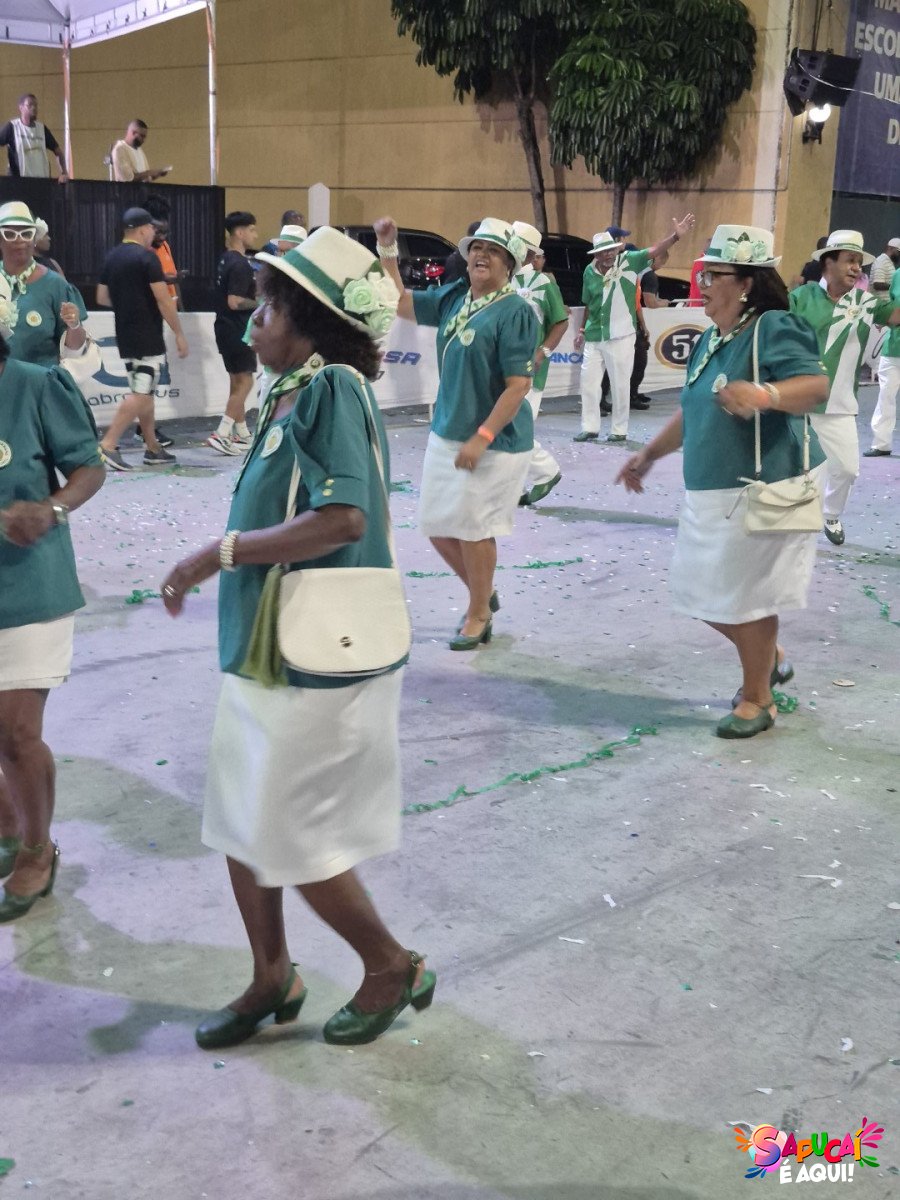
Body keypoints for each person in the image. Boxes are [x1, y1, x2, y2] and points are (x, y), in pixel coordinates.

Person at [160, 226, 434, 1049]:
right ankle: (271, 976)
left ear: (311, 322)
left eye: (270, 308)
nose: (253, 321)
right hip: (264, 645)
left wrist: (217, 553)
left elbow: (345, 517)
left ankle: (389, 965)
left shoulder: (333, 390)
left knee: (292, 834)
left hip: (316, 656)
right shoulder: (290, 391)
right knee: (240, 820)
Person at [616, 223, 829, 739]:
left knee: (746, 599)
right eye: (702, 274)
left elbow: (816, 386)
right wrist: (649, 454)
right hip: (712, 492)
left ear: (747, 283)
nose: (703, 284)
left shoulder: (772, 326)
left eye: (714, 275)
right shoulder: (711, 337)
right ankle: (768, 657)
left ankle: (759, 699)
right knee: (699, 593)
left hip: (759, 488)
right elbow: (693, 411)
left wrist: (765, 395)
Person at [374, 215, 536, 650]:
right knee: (436, 524)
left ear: (509, 265)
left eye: (494, 251)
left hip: (495, 442)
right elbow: (400, 302)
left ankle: (479, 612)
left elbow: (518, 386)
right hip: (447, 430)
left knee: (474, 528)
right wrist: (388, 248)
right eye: (477, 248)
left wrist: (482, 436)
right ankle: (483, 592)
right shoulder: (455, 297)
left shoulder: (516, 312)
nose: (482, 255)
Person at [0, 331, 105, 920]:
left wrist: (51, 508)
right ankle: (7, 822)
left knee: (16, 732)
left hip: (29, 583)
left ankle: (37, 851)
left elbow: (89, 468)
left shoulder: (36, 386)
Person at [789, 230, 900, 544]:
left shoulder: (866, 302)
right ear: (828, 262)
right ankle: (796, 527)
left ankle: (831, 514)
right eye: (849, 260)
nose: (856, 268)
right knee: (801, 472)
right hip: (799, 403)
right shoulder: (800, 297)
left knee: (848, 470)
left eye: (858, 262)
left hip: (839, 406)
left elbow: (895, 315)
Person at [574, 213, 695, 444]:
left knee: (620, 384)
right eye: (603, 252)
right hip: (594, 335)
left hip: (621, 335)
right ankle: (589, 427)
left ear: (616, 249)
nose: (608, 254)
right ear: (596, 254)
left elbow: (654, 250)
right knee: (588, 385)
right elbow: (589, 304)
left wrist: (675, 237)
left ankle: (619, 430)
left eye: (611, 250)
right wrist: (581, 331)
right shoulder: (589, 272)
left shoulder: (630, 260)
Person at [96, 207, 189, 471]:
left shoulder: (111, 257)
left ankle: (153, 448)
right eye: (151, 229)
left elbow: (102, 297)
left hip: (125, 335)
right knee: (141, 394)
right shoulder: (147, 258)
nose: (153, 234)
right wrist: (179, 333)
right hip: (147, 335)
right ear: (142, 229)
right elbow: (163, 300)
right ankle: (108, 444)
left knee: (144, 392)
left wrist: (127, 304)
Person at [511, 221, 569, 506]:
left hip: (530, 370)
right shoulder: (503, 280)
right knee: (507, 427)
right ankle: (516, 488)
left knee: (515, 425)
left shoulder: (544, 283)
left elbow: (560, 321)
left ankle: (545, 471)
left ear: (529, 253)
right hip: (503, 367)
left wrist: (542, 352)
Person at [0, 202, 88, 368]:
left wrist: (74, 325)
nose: (19, 240)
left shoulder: (55, 285)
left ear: (34, 240)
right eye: (10, 234)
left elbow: (75, 348)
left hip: (40, 380)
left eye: (26, 234)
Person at [209, 212, 259, 455]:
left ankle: (241, 433)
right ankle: (222, 433)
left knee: (237, 381)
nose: (255, 235)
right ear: (240, 232)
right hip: (238, 328)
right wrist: (260, 303)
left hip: (224, 327)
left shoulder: (224, 259)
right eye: (252, 230)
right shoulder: (240, 264)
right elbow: (235, 301)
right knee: (246, 381)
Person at [866, 255, 900, 457]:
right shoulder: (897, 274)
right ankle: (881, 443)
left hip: (894, 344)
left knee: (886, 395)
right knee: (885, 395)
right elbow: (892, 305)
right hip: (893, 345)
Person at [0, 95, 67, 181]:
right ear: (21, 108)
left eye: (36, 105)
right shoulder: (12, 127)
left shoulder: (42, 129)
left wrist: (64, 173)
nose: (34, 108)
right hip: (18, 182)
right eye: (30, 105)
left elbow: (58, 152)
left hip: (42, 182)